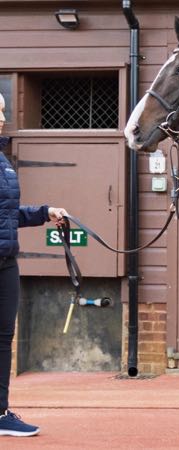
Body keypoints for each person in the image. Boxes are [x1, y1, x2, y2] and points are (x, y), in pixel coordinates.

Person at [0, 92, 68, 437]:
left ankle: (0, 413)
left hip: (6, 261)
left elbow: (7, 214)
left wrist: (44, 213)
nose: (2, 119)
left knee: (3, 338)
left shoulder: (2, 161)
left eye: (2, 111)